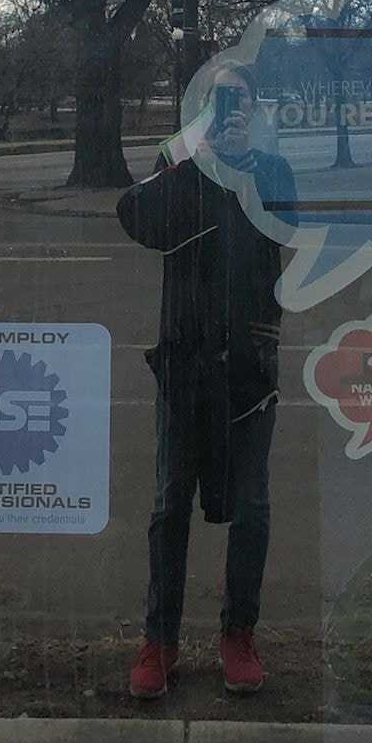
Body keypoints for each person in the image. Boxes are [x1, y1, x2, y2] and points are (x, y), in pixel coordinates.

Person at [115, 62, 297, 700]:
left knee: (252, 506)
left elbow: (289, 223)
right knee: (170, 505)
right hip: (184, 364)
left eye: (237, 99)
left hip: (249, 368)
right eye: (217, 100)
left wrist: (241, 165)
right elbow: (137, 220)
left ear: (255, 108)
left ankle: (238, 633)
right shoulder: (182, 167)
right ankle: (159, 638)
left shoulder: (271, 171)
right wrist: (199, 160)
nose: (228, 110)